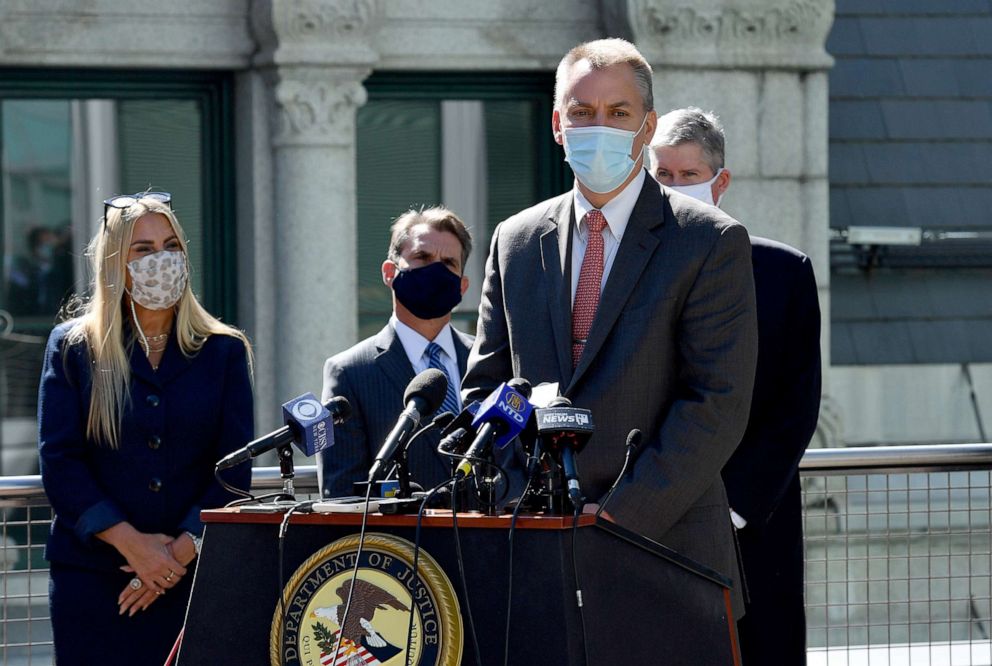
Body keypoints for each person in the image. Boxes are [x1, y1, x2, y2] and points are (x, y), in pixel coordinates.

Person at [463, 38, 758, 639]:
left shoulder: (707, 241)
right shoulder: (515, 240)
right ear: (556, 123)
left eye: (618, 113)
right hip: (536, 555)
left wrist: (619, 516)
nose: (598, 126)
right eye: (581, 112)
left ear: (647, 127)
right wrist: (530, 499)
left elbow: (717, 404)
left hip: (666, 555)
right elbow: (483, 393)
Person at [38, 192, 254, 665]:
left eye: (171, 244)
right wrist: (134, 547)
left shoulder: (224, 351)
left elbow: (233, 468)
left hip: (196, 580)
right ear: (116, 262)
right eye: (143, 249)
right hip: (93, 580)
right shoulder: (74, 347)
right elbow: (60, 461)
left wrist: (176, 555)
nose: (162, 259)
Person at [649, 106, 822, 665]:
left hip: (753, 522)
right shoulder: (621, 272)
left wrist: (735, 505)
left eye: (688, 176)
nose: (675, 188)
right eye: (663, 176)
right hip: (646, 517)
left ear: (719, 182)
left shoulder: (783, 271)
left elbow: (797, 403)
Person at [317, 206, 473, 498]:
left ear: (463, 285)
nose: (436, 270)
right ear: (390, 272)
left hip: (491, 540)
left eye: (449, 263)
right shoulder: (349, 372)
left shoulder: (490, 360)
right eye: (423, 258)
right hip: (397, 542)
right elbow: (341, 494)